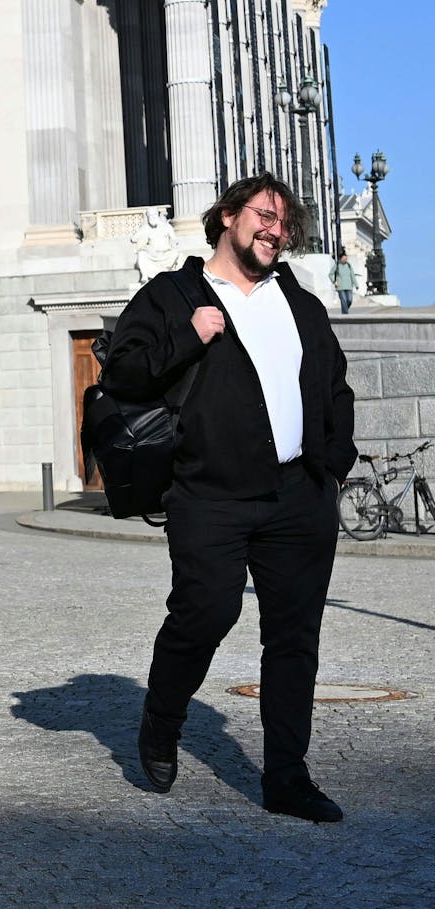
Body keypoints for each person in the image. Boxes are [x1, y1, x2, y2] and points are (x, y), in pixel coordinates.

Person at [105, 173, 356, 822]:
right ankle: (161, 721)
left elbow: (336, 386)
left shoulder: (298, 301)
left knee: (295, 638)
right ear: (226, 216)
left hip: (298, 494)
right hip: (208, 494)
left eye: (285, 222)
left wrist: (332, 465)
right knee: (206, 613)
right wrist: (188, 333)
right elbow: (123, 370)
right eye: (264, 215)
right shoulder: (174, 293)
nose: (276, 229)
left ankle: (287, 778)